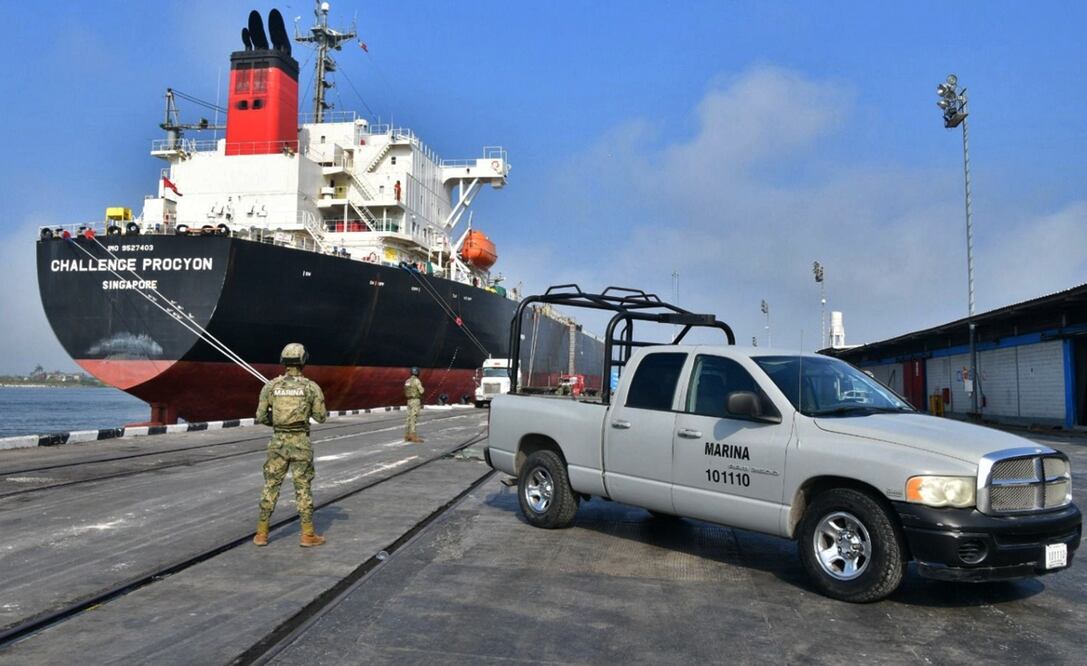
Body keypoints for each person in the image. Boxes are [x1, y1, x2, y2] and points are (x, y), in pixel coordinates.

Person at [253, 343, 329, 547]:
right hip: (301, 443)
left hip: (277, 442)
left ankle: (261, 533)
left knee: (271, 485)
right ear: (304, 361)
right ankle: (307, 534)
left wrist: (277, 424)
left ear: (283, 361)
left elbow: (260, 416)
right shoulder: (311, 387)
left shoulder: (270, 386)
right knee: (302, 487)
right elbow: (321, 417)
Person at [404, 366, 424, 442]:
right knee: (414, 418)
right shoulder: (417, 381)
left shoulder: (407, 381)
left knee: (408, 418)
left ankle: (407, 435)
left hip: (409, 400)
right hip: (415, 400)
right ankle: (413, 436)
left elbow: (406, 391)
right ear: (418, 373)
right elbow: (421, 391)